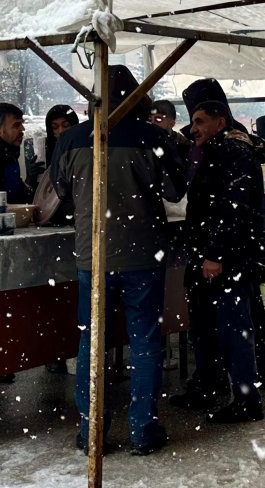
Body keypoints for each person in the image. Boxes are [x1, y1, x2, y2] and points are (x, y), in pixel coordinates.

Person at [51, 66, 185, 455]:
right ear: (139, 98)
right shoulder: (155, 138)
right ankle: (143, 430)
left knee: (90, 343)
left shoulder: (73, 138)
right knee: (144, 343)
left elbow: (60, 189)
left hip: (92, 257)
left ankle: (90, 430)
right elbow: (176, 191)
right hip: (143, 255)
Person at [178, 100, 265, 423]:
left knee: (235, 329)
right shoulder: (218, 148)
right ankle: (221, 387)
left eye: (199, 121)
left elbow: (233, 207)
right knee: (220, 327)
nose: (194, 128)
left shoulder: (233, 151)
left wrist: (215, 254)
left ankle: (247, 401)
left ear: (219, 122)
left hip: (230, 259)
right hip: (221, 256)